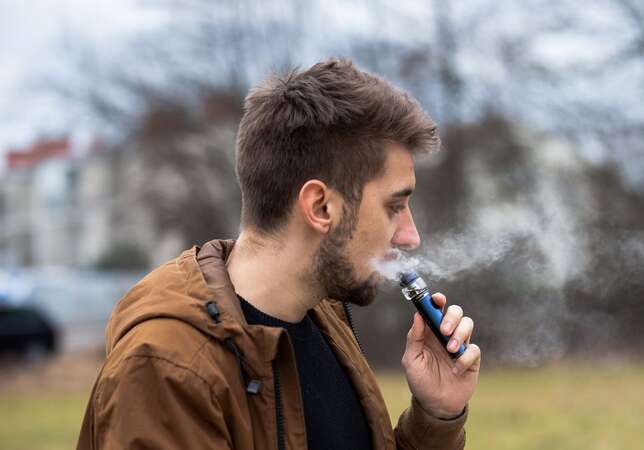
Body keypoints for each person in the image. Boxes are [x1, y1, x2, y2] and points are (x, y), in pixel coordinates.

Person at [77, 58, 480, 450]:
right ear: (320, 207)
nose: (411, 237)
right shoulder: (167, 369)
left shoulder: (325, 320)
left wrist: (435, 418)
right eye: (394, 207)